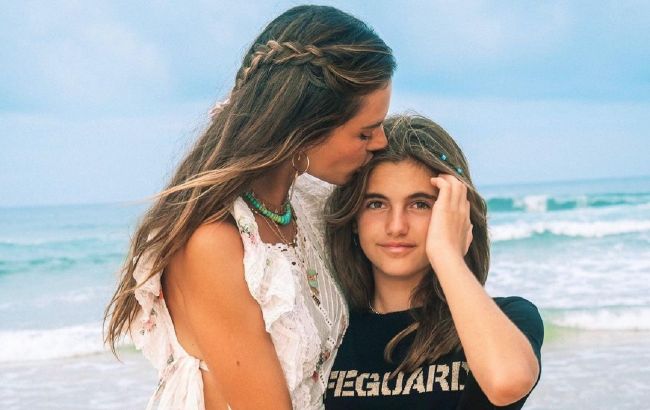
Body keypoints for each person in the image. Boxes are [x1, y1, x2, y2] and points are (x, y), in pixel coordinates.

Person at [103, 5, 396, 410]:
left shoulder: (304, 204)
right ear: (304, 129)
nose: (381, 142)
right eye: (365, 132)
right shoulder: (215, 244)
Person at [323, 114, 543, 410]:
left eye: (420, 204)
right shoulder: (330, 331)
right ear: (353, 219)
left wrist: (447, 254)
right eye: (376, 204)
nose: (396, 226)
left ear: (455, 214)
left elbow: (507, 382)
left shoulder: (511, 316)